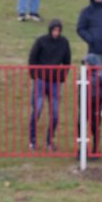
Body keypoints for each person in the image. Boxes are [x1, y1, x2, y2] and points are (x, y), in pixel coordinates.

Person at [25, 19, 71, 153]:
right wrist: (34, 75)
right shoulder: (41, 41)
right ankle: (32, 140)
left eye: (58, 30)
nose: (56, 33)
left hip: (55, 82)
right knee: (37, 109)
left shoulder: (64, 43)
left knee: (55, 113)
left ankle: (50, 140)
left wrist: (62, 76)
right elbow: (32, 58)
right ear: (50, 30)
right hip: (40, 80)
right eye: (54, 30)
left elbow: (67, 62)